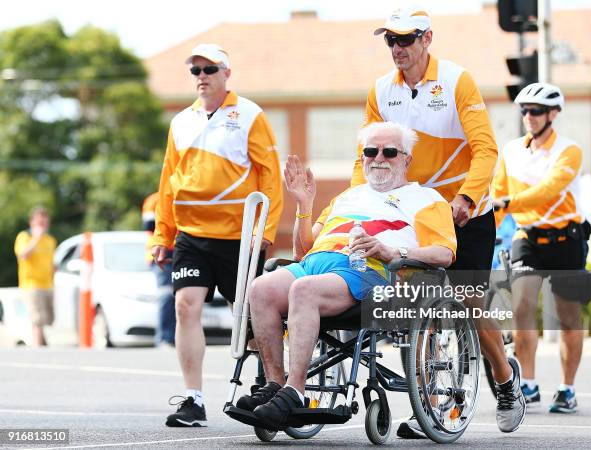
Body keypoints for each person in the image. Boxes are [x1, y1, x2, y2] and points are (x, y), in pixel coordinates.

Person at [349, 8, 525, 435]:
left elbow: (486, 149)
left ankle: (504, 378)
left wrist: (466, 197)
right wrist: (356, 204)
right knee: (420, 305)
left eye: (405, 39)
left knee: (467, 301)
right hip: (413, 212)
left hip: (464, 213)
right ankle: (429, 402)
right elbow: (368, 155)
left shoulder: (456, 80)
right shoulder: (380, 90)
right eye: (390, 40)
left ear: (428, 39)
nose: (397, 48)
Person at [237, 122, 456, 429]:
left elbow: (444, 254)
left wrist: (393, 252)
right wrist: (304, 205)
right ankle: (275, 386)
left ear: (406, 158)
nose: (378, 157)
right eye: (370, 150)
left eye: (389, 151)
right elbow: (303, 251)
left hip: (370, 269)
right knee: (260, 288)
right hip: (316, 264)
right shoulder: (346, 197)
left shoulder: (426, 199)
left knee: (303, 291)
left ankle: (295, 392)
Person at [150, 43, 283, 427]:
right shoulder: (180, 122)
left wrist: (265, 230)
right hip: (192, 235)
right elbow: (167, 182)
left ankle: (268, 384)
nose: (202, 76)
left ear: (227, 73)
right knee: (184, 306)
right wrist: (163, 235)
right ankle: (193, 399)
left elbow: (270, 177)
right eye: (196, 70)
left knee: (249, 318)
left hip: (239, 236)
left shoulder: (250, 115)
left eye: (210, 69)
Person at [492, 82, 591, 414]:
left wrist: (509, 201)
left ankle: (567, 389)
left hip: (567, 238)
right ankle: (529, 385)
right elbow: (498, 200)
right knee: (521, 306)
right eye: (524, 111)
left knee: (567, 319)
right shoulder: (511, 151)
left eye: (536, 111)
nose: (528, 117)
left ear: (553, 114)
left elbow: (550, 190)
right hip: (528, 238)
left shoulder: (569, 150)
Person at [14, 206, 57, 347]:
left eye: (45, 223)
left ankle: (42, 345)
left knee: (48, 320)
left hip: (48, 285)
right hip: (31, 285)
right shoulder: (25, 237)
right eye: (40, 223)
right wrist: (36, 239)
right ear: (31, 222)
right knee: (37, 319)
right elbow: (23, 255)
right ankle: (38, 349)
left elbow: (51, 263)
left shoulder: (50, 240)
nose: (43, 226)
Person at [142, 192, 175, 348]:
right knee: (166, 294)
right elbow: (149, 224)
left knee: (182, 296)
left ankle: (175, 337)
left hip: (183, 249)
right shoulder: (154, 199)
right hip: (161, 250)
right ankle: (165, 338)